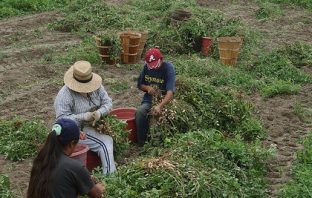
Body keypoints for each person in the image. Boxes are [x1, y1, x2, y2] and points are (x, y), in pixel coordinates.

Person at [54, 60, 116, 174]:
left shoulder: (97, 87)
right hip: (76, 131)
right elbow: (61, 121)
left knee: (109, 139)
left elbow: (108, 103)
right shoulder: (64, 95)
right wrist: (83, 117)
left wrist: (99, 113)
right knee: (106, 142)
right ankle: (111, 177)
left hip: (94, 126)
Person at [27, 118, 105, 198]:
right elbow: (96, 194)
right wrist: (99, 188)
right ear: (71, 144)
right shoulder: (74, 167)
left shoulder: (40, 160)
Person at [135, 48, 176, 146]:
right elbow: (139, 85)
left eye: (155, 65)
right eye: (151, 66)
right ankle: (142, 142)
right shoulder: (146, 68)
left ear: (161, 59)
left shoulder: (169, 68)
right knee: (140, 112)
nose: (154, 68)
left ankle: (159, 143)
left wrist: (160, 106)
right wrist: (147, 87)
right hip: (149, 99)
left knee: (158, 118)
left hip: (165, 100)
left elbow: (170, 92)